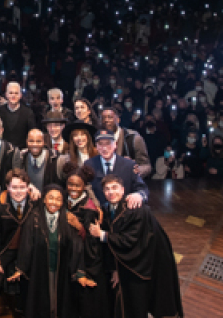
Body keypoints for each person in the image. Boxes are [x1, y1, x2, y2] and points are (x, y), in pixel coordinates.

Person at [89, 175, 184, 318]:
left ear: (123, 190)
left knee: (139, 303)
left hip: (142, 265)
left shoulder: (136, 209)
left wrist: (102, 235)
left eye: (114, 188)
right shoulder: (107, 210)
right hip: (126, 265)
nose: (111, 192)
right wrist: (115, 269)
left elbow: (130, 240)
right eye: (107, 189)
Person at [14, 185, 84, 318]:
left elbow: (76, 245)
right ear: (44, 199)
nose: (54, 202)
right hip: (39, 269)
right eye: (51, 198)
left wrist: (79, 272)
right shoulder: (34, 218)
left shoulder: (68, 219)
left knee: (58, 301)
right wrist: (21, 268)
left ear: (62, 202)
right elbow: (26, 244)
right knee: (41, 301)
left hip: (61, 269)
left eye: (58, 199)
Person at [60, 162, 110, 318]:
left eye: (77, 186)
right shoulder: (62, 201)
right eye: (70, 184)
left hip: (86, 261)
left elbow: (93, 242)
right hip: (66, 258)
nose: (73, 189)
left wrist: (79, 226)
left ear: (85, 186)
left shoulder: (90, 209)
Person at [0, 169, 34, 318]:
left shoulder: (35, 202)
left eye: (22, 187)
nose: (18, 191)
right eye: (14, 187)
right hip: (4, 250)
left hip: (26, 251)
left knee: (29, 280)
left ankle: (21, 310)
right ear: (7, 187)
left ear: (28, 187)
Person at [85, 132, 150, 209]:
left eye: (108, 143)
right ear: (96, 146)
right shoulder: (89, 164)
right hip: (98, 211)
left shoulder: (129, 165)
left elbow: (142, 188)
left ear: (115, 144)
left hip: (124, 212)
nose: (104, 148)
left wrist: (139, 195)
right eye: (101, 144)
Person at [99, 107, 151, 177]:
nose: (106, 120)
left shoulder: (133, 138)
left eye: (110, 117)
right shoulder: (98, 139)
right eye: (103, 118)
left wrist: (137, 170)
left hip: (127, 183)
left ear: (118, 120)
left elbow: (146, 166)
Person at [11, 128, 62, 194]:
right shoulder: (21, 157)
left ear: (44, 142)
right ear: (26, 142)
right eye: (31, 141)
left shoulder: (55, 158)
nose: (34, 144)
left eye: (38, 141)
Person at [0, 81, 38, 147]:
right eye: (11, 93)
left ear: (20, 95)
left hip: (22, 152)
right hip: (3, 151)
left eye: (16, 93)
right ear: (6, 94)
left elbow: (32, 134)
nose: (13, 96)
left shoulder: (28, 113)